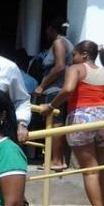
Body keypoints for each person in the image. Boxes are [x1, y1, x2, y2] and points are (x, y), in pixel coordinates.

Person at [39, 40, 104, 206]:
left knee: (90, 171)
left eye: (74, 54)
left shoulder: (75, 69)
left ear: (83, 54)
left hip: (81, 119)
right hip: (103, 120)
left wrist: (50, 106)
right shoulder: (103, 71)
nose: (72, 58)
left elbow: (68, 89)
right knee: (100, 168)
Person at [33, 17, 74, 171]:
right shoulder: (65, 42)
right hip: (57, 90)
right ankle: (57, 158)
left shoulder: (58, 42)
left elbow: (59, 67)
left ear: (51, 29)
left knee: (54, 123)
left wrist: (42, 86)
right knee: (55, 122)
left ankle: (55, 160)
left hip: (55, 90)